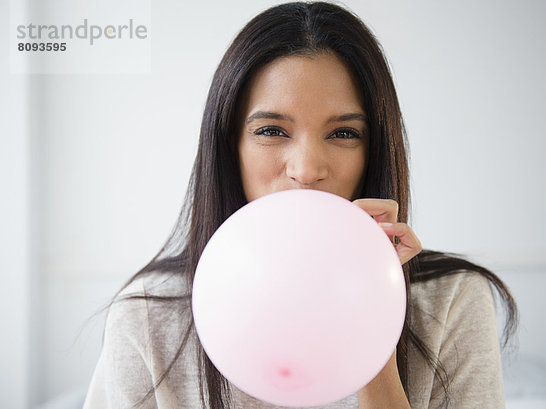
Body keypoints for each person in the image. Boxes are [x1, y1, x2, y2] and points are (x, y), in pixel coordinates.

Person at [82, 2, 517, 409]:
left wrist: (373, 320)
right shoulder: (147, 315)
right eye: (272, 130)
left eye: (344, 133)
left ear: (375, 150)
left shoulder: (452, 300)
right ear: (229, 147)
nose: (307, 169)